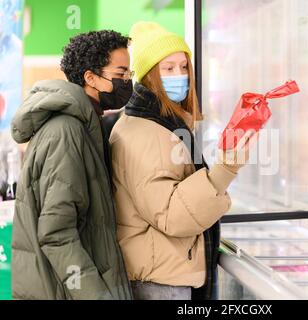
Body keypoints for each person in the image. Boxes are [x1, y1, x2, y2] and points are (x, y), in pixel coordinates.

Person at [110, 22, 258, 300]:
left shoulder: (160, 123)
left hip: (162, 270)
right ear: (149, 76)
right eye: (167, 68)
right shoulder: (145, 131)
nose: (179, 75)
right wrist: (225, 169)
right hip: (159, 281)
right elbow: (172, 215)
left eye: (183, 66)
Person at [10, 30, 134, 300]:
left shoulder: (87, 125)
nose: (128, 81)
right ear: (91, 78)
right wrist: (95, 295)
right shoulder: (67, 132)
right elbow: (56, 233)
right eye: (121, 73)